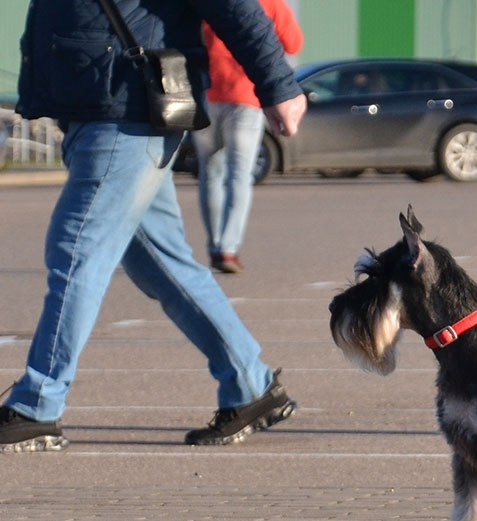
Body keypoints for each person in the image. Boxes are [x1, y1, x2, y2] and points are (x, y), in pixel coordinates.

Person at [0, 0, 307, 453]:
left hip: (129, 110)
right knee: (160, 263)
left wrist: (279, 86)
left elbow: (235, 6)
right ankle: (250, 385)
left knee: (76, 248)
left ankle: (38, 404)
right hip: (97, 105)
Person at [193, 0, 303, 274]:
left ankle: (215, 244)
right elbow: (294, 43)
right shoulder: (272, 3)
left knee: (210, 173)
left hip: (207, 94)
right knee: (239, 175)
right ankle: (228, 249)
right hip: (247, 96)